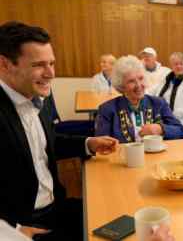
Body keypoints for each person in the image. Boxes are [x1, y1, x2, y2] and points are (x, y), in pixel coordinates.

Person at [0, 21, 118, 241]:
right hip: (22, 225)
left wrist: (88, 144)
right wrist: (11, 231)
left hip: (55, 208)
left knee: (116, 213)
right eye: (38, 65)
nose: (50, 73)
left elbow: (46, 144)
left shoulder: (36, 96)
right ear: (5, 64)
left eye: (52, 63)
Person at [95, 55, 183, 143]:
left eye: (141, 78)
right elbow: (101, 144)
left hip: (157, 157)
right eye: (131, 81)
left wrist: (160, 129)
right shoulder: (107, 109)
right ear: (121, 86)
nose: (139, 85)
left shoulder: (158, 103)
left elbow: (181, 131)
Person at [149, 52, 183, 133]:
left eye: (181, 63)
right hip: (161, 119)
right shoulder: (167, 79)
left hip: (180, 123)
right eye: (175, 64)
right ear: (171, 66)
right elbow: (153, 90)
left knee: (152, 132)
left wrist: (170, 115)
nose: (178, 66)